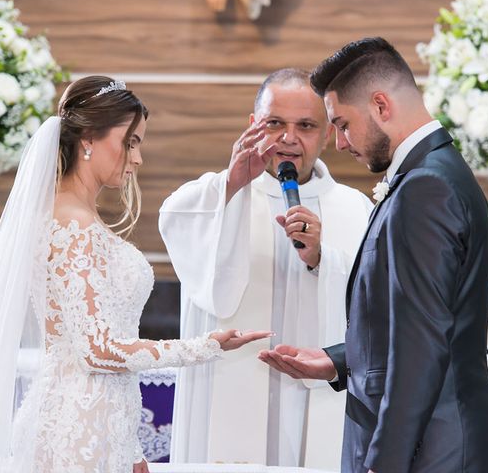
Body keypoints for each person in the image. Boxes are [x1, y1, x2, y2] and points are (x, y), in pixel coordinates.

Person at [0, 76, 270, 473]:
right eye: (130, 141)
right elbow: (97, 351)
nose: (137, 158)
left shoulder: (76, 219)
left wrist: (129, 444)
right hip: (77, 429)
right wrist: (205, 346)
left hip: (100, 424)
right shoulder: (72, 225)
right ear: (88, 139)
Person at [259, 38, 488, 473]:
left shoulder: (424, 188)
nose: (339, 143)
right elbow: (420, 322)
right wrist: (340, 360)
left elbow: (421, 345)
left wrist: (383, 464)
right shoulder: (435, 172)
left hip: (433, 450)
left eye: (342, 123)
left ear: (381, 105)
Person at [159, 68, 373, 467]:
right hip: (230, 392)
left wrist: (321, 259)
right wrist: (232, 185)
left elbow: (376, 304)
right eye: (275, 123)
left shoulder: (356, 209)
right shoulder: (216, 194)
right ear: (253, 125)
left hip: (317, 402)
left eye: (306, 126)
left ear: (327, 133)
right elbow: (176, 222)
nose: (289, 138)